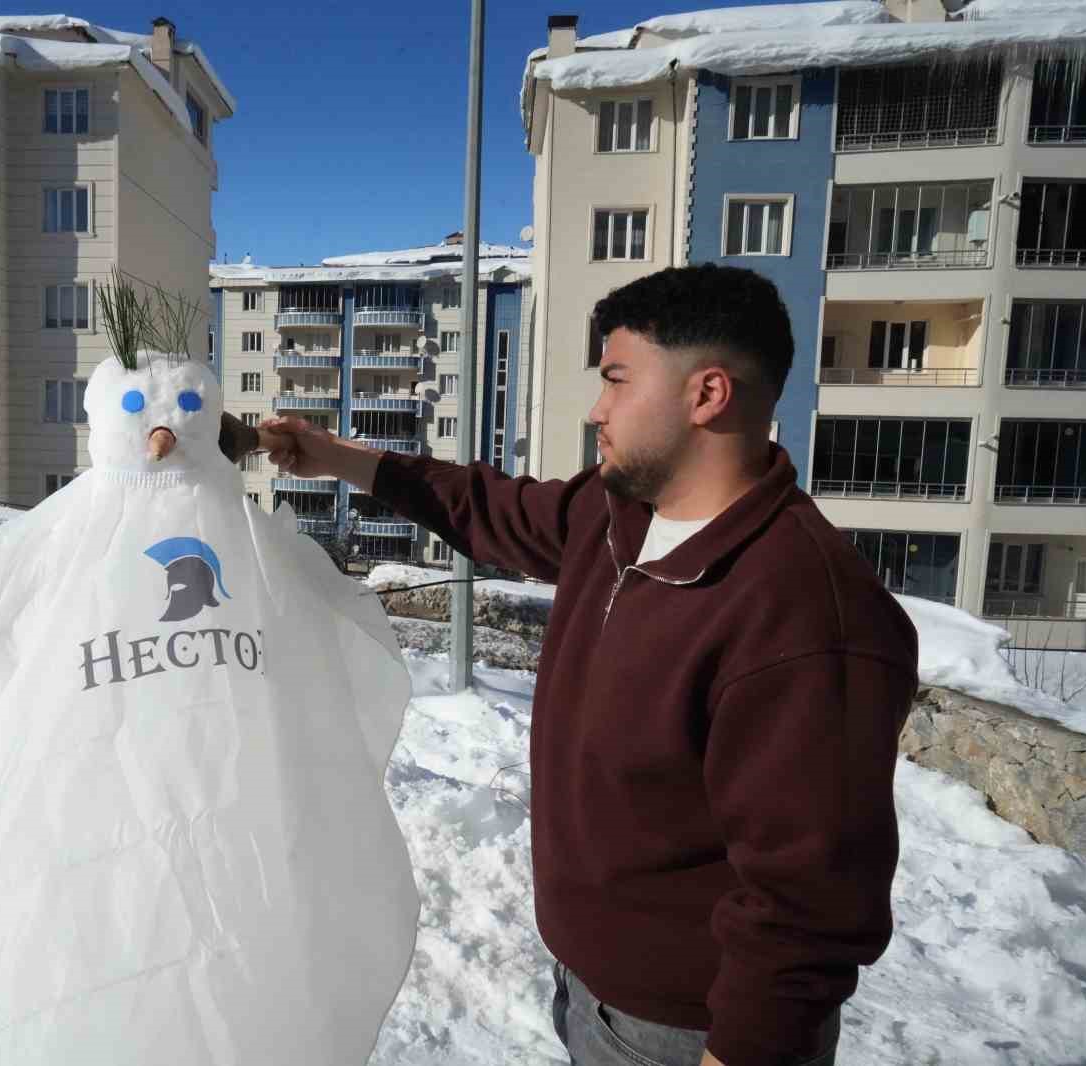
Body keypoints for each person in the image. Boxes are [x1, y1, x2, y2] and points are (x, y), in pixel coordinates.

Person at [254, 264, 918, 1066]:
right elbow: (487, 507)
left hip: (689, 1032)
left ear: (706, 395)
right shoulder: (618, 517)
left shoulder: (804, 617)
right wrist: (338, 459)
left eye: (616, 381)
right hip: (590, 988)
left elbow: (806, 908)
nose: (597, 410)